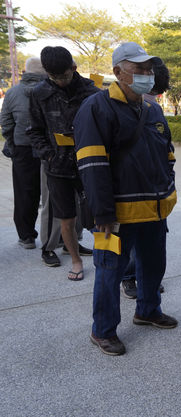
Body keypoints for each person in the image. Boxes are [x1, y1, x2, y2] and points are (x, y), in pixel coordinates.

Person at [74, 42, 178, 355]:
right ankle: (103, 330)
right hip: (115, 215)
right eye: (139, 69)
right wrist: (102, 213)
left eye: (149, 69)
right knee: (109, 273)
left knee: (153, 265)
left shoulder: (152, 109)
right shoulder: (96, 108)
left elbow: (168, 154)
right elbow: (92, 165)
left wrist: (168, 189)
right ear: (118, 71)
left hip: (154, 210)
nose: (146, 74)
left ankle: (148, 310)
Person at [28, 47, 99, 281]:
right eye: (54, 77)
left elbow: (105, 126)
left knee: (99, 214)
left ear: (74, 69)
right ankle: (76, 259)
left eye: (64, 76)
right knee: (65, 217)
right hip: (57, 165)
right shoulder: (39, 93)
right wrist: (48, 154)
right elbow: (35, 131)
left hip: (89, 163)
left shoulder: (91, 91)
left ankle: (106, 257)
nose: (59, 82)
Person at [122, 57, 171, 299]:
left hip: (154, 191)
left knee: (148, 245)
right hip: (135, 190)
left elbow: (166, 150)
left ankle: (143, 285)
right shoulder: (122, 106)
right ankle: (132, 278)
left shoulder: (154, 108)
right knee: (135, 243)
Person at [1, 57, 45, 250]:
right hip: (48, 148)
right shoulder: (50, 91)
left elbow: (6, 122)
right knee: (52, 193)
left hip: (22, 148)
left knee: (24, 192)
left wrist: (12, 141)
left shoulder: (12, 93)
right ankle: (58, 236)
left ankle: (27, 237)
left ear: (25, 72)